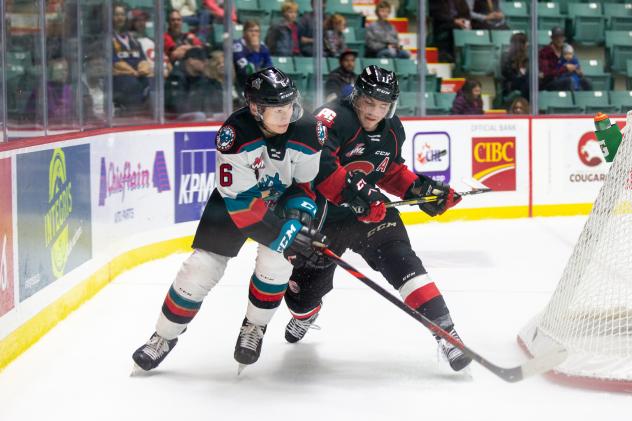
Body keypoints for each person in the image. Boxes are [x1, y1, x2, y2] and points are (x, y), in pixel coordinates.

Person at [132, 67, 327, 372]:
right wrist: (285, 234)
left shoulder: (308, 130)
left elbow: (303, 187)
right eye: (276, 109)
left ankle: (255, 327)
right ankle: (163, 336)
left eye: (288, 106)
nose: (285, 115)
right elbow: (242, 205)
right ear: (255, 108)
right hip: (235, 202)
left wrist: (298, 217)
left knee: (277, 263)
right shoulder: (234, 135)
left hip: (281, 202)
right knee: (200, 267)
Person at [282, 65, 472, 372]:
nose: (374, 112)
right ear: (356, 97)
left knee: (403, 262)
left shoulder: (393, 129)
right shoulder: (330, 119)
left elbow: (391, 170)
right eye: (369, 103)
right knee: (302, 297)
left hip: (372, 214)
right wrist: (358, 196)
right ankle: (306, 314)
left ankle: (446, 333)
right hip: (323, 222)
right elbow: (320, 167)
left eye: (383, 105)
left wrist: (421, 189)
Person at [112, 2, 152, 114]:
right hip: (120, 80)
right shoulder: (108, 39)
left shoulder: (133, 39)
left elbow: (143, 59)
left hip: (137, 76)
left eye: (122, 14)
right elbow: (114, 63)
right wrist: (133, 72)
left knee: (154, 82)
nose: (120, 17)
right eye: (116, 14)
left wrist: (142, 68)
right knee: (132, 83)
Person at [164, 47, 222, 120]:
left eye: (207, 60)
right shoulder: (175, 78)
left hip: (200, 120)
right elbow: (178, 107)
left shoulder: (203, 79)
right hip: (176, 122)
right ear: (191, 60)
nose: (206, 62)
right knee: (199, 116)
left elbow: (216, 105)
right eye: (202, 60)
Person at [233, 20, 273, 88]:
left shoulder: (263, 46)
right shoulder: (238, 46)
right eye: (251, 31)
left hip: (258, 81)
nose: (254, 34)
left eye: (256, 31)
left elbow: (269, 66)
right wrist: (255, 51)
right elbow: (247, 70)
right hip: (241, 82)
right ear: (244, 33)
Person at [538, 26, 576, 92]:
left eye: (561, 37)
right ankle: (572, 102)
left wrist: (578, 70)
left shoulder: (567, 49)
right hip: (549, 82)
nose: (559, 40)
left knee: (586, 81)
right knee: (569, 81)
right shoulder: (545, 52)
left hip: (565, 77)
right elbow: (546, 74)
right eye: (556, 37)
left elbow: (574, 64)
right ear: (552, 38)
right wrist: (565, 69)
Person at [501, 32, 529, 101]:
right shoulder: (506, 57)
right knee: (527, 81)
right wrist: (521, 74)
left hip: (523, 82)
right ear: (521, 44)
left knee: (529, 81)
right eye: (526, 42)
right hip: (510, 84)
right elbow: (507, 75)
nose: (527, 44)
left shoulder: (526, 57)